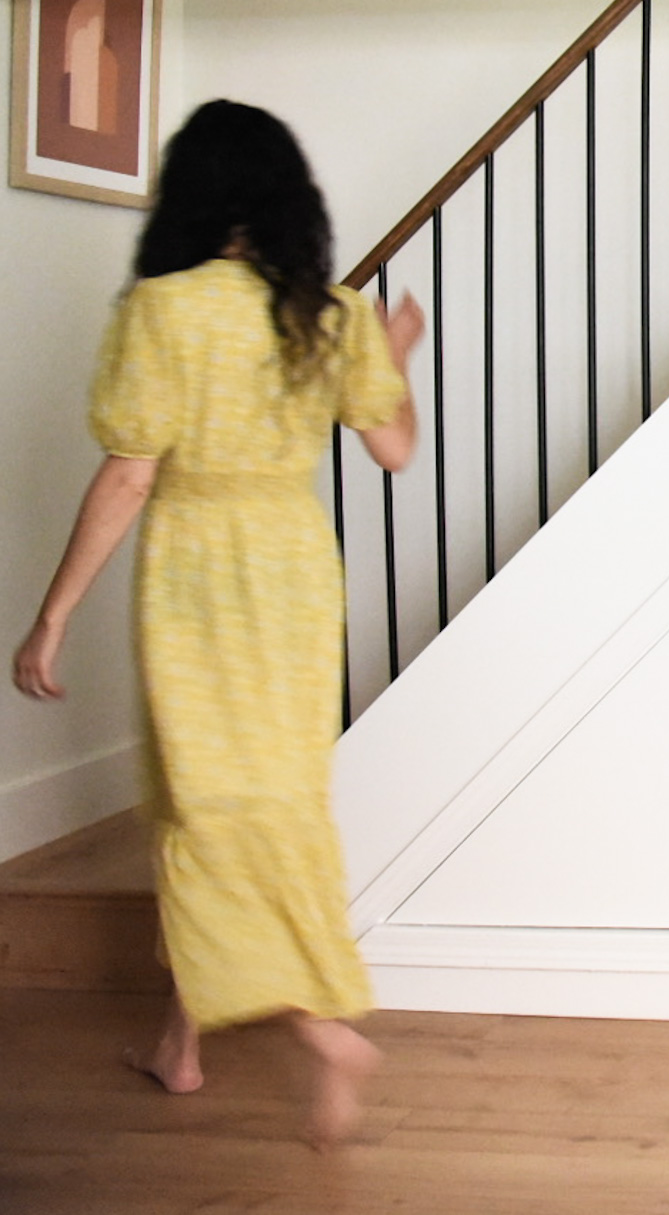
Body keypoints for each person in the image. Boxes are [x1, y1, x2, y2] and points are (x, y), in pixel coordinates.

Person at [10, 99, 424, 1149]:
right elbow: (394, 451)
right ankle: (178, 1049)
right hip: (292, 569)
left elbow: (132, 472)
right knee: (264, 802)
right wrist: (393, 354)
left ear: (189, 194)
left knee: (204, 810)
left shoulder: (163, 309)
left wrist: (49, 618)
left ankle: (317, 1031)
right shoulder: (329, 314)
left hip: (200, 574)